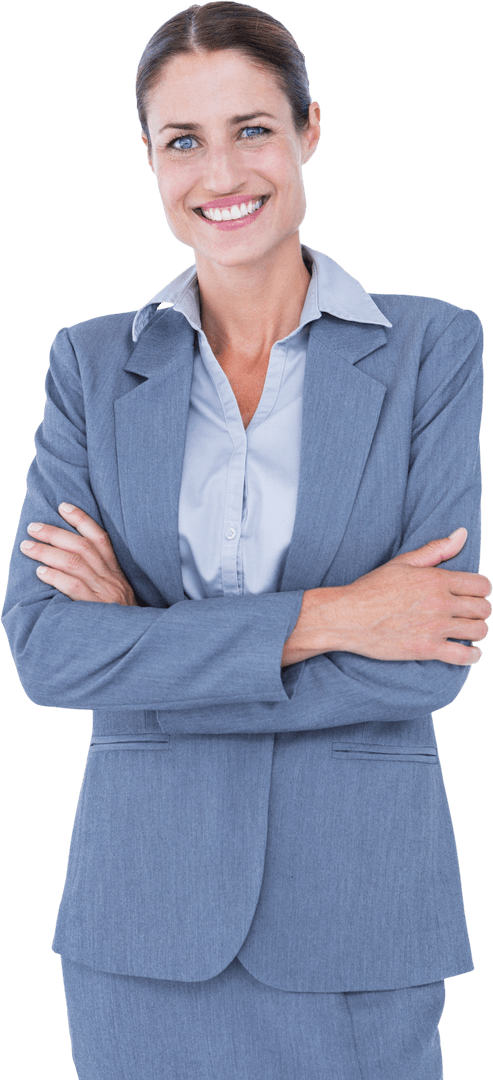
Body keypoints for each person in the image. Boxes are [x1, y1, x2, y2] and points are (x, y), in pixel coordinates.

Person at [1, 3, 490, 1078]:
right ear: (149, 157)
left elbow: (428, 660)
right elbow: (46, 650)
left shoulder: (430, 348)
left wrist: (145, 644)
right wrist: (334, 616)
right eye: (184, 140)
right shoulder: (89, 366)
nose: (220, 170)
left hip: (357, 915)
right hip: (142, 927)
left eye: (252, 128)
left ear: (309, 128)